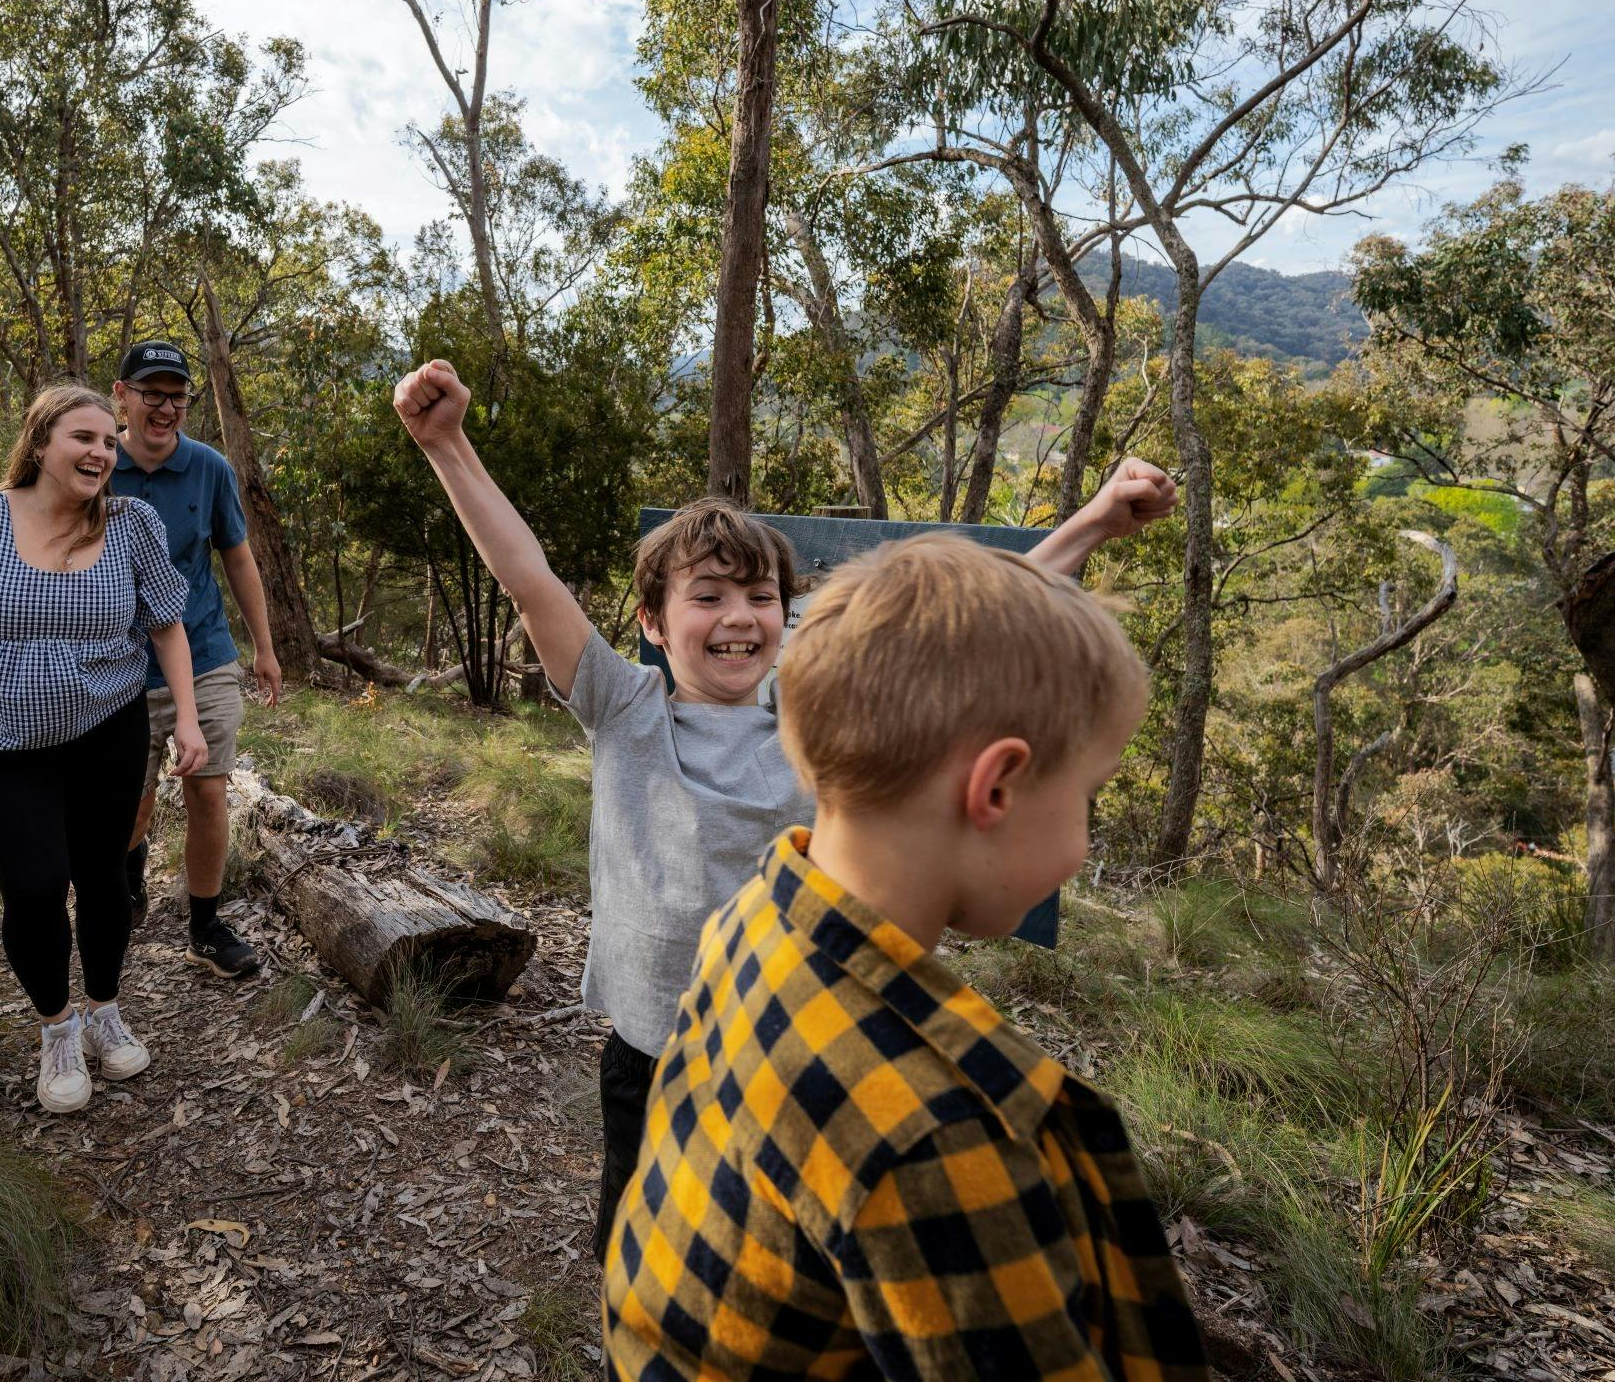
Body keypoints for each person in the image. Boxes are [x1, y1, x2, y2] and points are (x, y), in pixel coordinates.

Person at [388, 357, 1178, 1261]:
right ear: (652, 623)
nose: (740, 616)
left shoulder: (809, 708)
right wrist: (446, 445)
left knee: (772, 1250)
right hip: (652, 1051)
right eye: (709, 596)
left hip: (796, 1045)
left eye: (761, 597)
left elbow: (966, 635)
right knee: (640, 1246)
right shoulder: (622, 705)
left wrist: (1095, 522)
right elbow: (528, 579)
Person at [603, 534, 1207, 1379]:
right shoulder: (936, 1142)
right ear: (997, 787)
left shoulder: (756, 915)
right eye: (1086, 794)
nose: (1083, 831)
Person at [0, 383, 210, 1116]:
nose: (101, 453)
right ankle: (57, 1028)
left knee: (103, 879)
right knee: (33, 887)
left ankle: (104, 1009)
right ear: (39, 444)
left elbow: (167, 626)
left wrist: (187, 720)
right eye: (83, 438)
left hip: (108, 730)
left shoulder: (131, 524)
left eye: (108, 442)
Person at [108, 339, 283, 980]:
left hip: (204, 653)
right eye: (151, 394)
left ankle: (205, 927)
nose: (166, 408)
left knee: (208, 792)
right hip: (117, 665)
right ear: (121, 396)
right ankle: (126, 878)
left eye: (177, 397)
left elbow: (237, 556)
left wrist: (263, 647)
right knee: (131, 804)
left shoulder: (208, 467)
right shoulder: (96, 464)